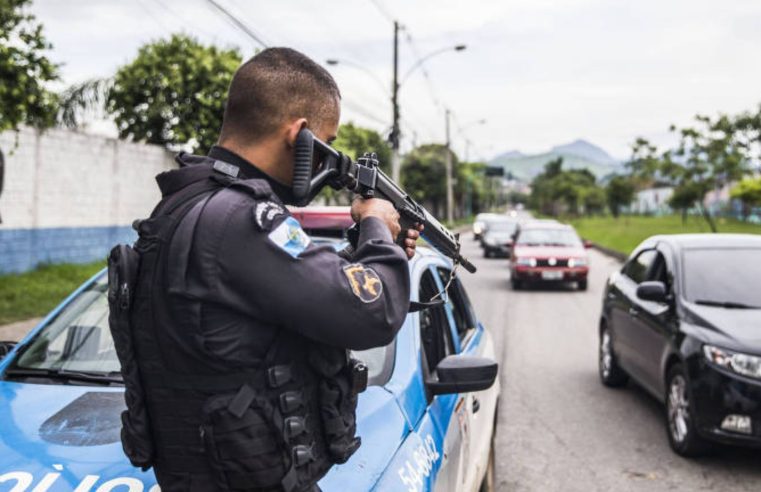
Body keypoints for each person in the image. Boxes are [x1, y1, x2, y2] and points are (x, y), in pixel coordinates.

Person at [119, 47, 421, 492]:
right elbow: (370, 314)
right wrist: (378, 226)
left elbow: (290, 298)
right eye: (326, 145)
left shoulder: (189, 206)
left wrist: (364, 250)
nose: (325, 162)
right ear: (298, 135)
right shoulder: (241, 219)